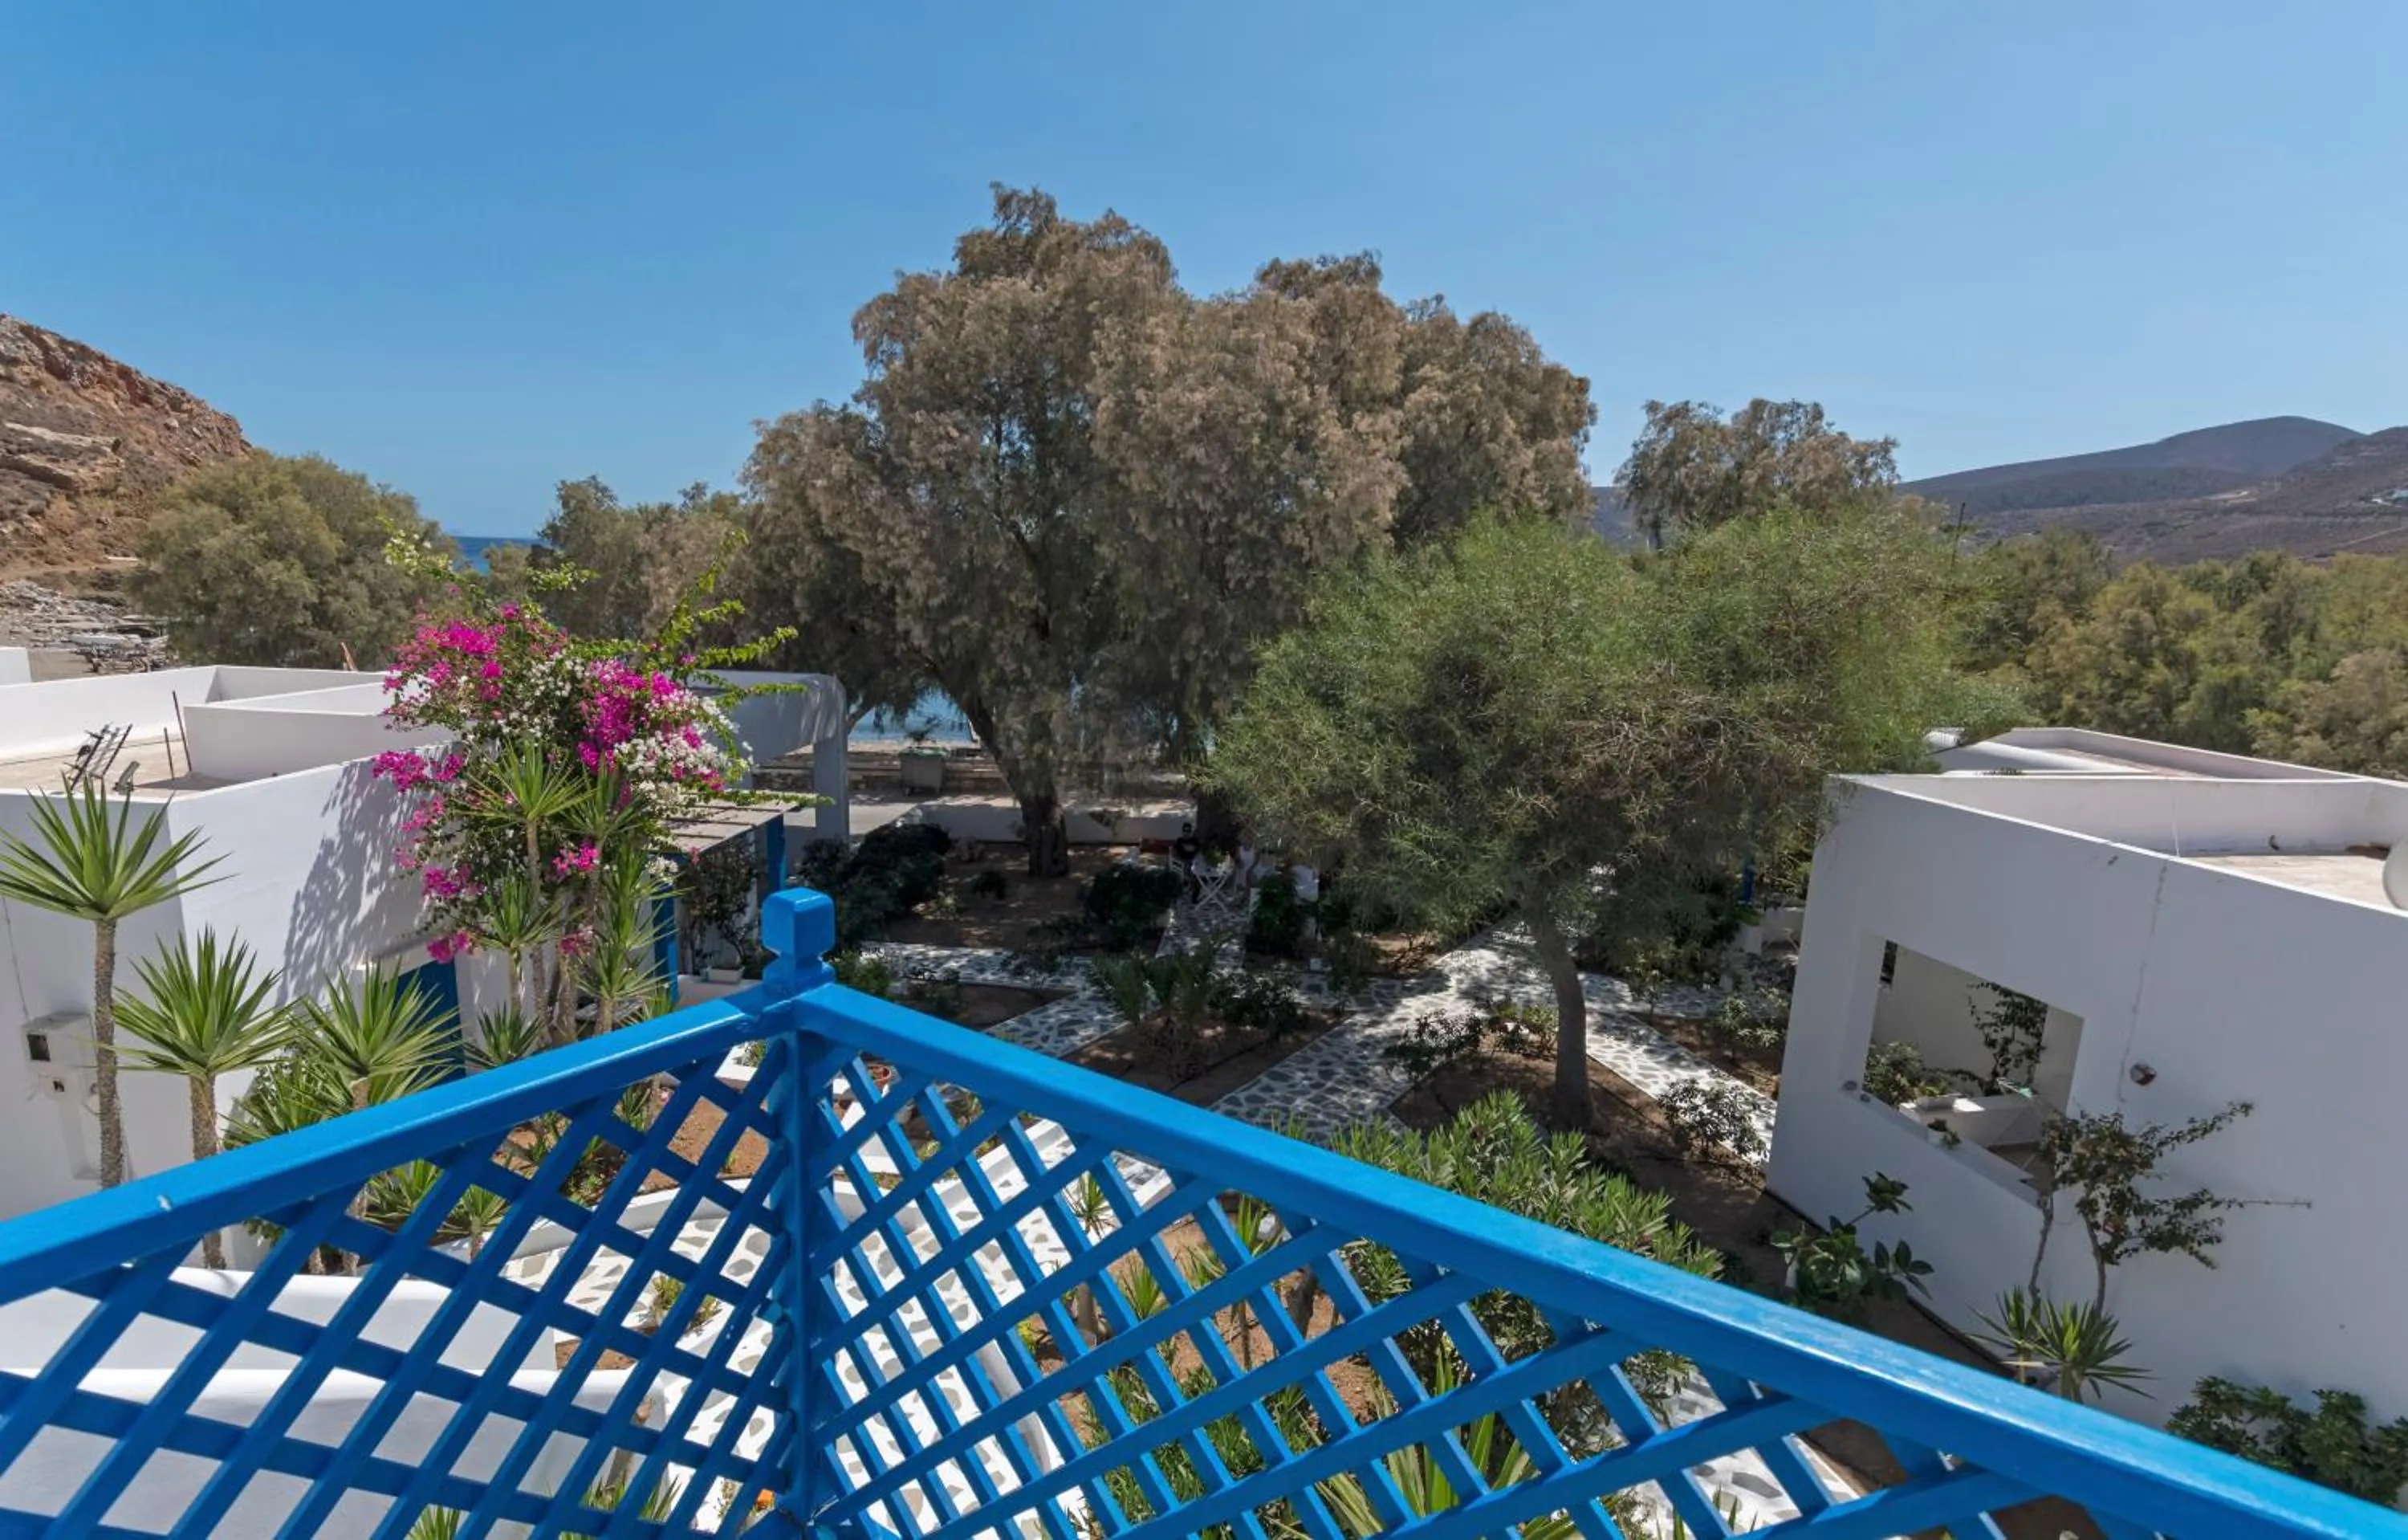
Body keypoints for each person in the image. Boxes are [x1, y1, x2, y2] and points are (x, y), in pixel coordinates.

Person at [1170, 820, 1202, 902]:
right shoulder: (1179, 841)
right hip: (1183, 861)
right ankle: (1193, 888)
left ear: (1191, 831)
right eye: (1185, 830)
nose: (1187, 832)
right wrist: (1180, 860)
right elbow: (1174, 853)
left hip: (1193, 861)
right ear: (1183, 831)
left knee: (1195, 870)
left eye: (1188, 831)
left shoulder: (1195, 841)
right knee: (1190, 870)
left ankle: (1192, 887)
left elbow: (1199, 852)